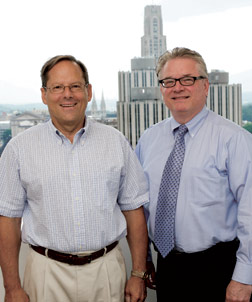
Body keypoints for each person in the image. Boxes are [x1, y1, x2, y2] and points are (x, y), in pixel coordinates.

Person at [0, 55, 149, 302]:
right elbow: (8, 221)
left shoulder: (115, 142)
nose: (67, 94)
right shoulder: (18, 149)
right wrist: (12, 287)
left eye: (75, 86)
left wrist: (138, 273)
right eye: (57, 87)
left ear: (88, 92)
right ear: (44, 94)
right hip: (46, 273)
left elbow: (134, 211)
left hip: (107, 271)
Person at [135, 47, 252, 302]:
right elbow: (140, 207)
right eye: (169, 81)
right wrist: (143, 261)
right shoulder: (149, 140)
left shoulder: (235, 140)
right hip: (167, 266)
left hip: (219, 268)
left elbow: (250, 213)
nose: (178, 87)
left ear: (205, 85)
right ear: (161, 88)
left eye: (188, 79)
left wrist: (244, 277)